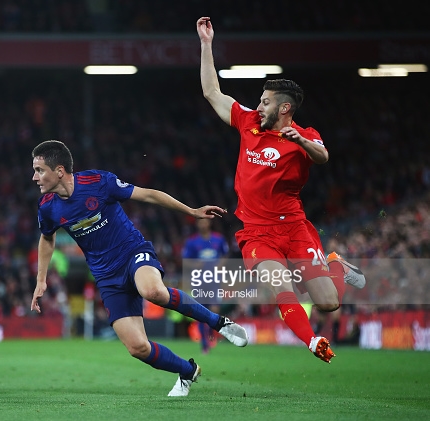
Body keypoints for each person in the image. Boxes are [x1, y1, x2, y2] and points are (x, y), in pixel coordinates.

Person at [196, 16, 366, 363]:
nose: (258, 106)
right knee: (280, 288)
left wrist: (301, 140)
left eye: (265, 101)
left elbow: (323, 156)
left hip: (294, 228)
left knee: (328, 302)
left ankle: (333, 262)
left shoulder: (306, 135)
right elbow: (212, 92)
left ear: (284, 108)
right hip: (257, 233)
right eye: (259, 100)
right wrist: (206, 44)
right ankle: (311, 341)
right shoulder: (248, 122)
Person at [30, 140, 248, 397]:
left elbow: (148, 194)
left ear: (59, 170)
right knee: (137, 347)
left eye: (39, 170)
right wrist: (41, 280)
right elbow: (47, 238)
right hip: (106, 276)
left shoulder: (99, 182)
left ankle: (219, 323)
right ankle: (187, 371)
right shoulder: (47, 207)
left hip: (132, 252)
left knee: (152, 290)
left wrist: (191, 211)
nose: (34, 177)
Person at [182, 218, 230, 354]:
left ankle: (211, 337)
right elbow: (186, 261)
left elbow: (225, 255)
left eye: (205, 222)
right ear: (197, 224)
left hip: (214, 280)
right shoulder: (192, 242)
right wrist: (195, 265)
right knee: (201, 312)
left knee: (215, 310)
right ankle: (204, 345)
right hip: (199, 281)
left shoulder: (218, 239)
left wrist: (220, 265)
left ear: (209, 223)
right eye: (200, 222)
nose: (203, 224)